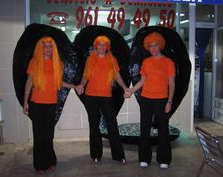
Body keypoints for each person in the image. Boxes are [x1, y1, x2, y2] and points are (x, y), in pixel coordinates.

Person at [23, 36, 77, 174]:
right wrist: (25, 102)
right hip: (36, 104)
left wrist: (74, 86)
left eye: (50, 46)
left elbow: (59, 84)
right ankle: (39, 164)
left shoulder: (57, 63)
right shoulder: (34, 63)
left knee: (48, 135)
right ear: (40, 48)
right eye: (45, 46)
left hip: (51, 104)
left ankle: (51, 161)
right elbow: (29, 83)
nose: (48, 49)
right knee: (38, 135)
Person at [125, 32, 176, 169]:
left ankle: (164, 159)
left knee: (163, 130)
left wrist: (169, 102)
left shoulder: (168, 62)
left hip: (162, 100)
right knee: (144, 129)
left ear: (160, 46)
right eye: (151, 46)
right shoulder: (146, 62)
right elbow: (142, 81)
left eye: (155, 46)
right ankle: (144, 158)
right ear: (148, 47)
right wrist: (131, 90)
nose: (153, 49)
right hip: (146, 99)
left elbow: (171, 84)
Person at [76, 35, 128, 164]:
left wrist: (126, 88)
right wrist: (81, 85)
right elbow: (85, 76)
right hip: (91, 97)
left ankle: (118, 155)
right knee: (94, 126)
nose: (101, 47)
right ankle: (96, 154)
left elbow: (118, 77)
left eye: (104, 45)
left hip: (106, 97)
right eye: (99, 45)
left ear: (107, 47)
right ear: (96, 46)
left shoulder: (112, 59)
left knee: (112, 125)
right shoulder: (90, 59)